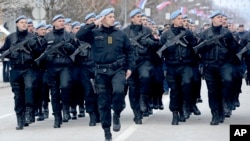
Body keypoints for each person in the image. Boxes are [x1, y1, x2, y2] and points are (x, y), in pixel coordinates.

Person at [76, 8, 135, 141]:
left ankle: (117, 114)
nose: (113, 18)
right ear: (102, 18)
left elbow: (130, 51)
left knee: (119, 92)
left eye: (113, 16)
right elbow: (79, 35)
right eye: (109, 16)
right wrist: (93, 23)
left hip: (118, 70)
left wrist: (130, 68)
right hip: (101, 72)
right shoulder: (94, 33)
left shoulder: (121, 34)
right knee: (103, 103)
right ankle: (107, 131)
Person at [196, 11, 240, 125]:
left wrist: (229, 40)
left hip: (225, 64)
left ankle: (225, 104)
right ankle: (215, 114)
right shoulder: (205, 33)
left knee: (228, 82)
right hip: (210, 65)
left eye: (222, 17)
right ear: (212, 20)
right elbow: (197, 50)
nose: (221, 19)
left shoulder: (227, 33)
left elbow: (235, 49)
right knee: (213, 91)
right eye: (218, 17)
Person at [0, 15, 41, 130]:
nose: (24, 24)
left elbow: (40, 52)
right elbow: (3, 51)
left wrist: (35, 46)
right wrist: (10, 54)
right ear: (17, 24)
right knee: (18, 95)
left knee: (29, 88)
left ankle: (29, 111)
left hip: (29, 68)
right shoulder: (11, 37)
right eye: (22, 22)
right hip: (15, 69)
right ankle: (20, 118)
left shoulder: (32, 37)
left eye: (26, 22)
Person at [160, 10, 197, 125]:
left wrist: (190, 39)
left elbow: (195, 47)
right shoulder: (166, 34)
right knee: (175, 90)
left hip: (186, 65)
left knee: (186, 87)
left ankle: (184, 108)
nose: (182, 21)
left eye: (182, 19)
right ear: (173, 20)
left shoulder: (188, 33)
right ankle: (175, 113)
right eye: (179, 19)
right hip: (172, 66)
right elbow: (161, 50)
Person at [123, 8, 159, 123]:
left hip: (144, 61)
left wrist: (149, 43)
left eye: (140, 17)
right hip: (131, 62)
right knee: (133, 89)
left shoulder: (147, 30)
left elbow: (156, 45)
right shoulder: (125, 32)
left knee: (145, 77)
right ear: (132, 18)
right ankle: (136, 113)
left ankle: (144, 98)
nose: (140, 19)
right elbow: (121, 48)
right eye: (137, 17)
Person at [41, 14, 76, 128]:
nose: (62, 22)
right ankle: (57, 117)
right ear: (54, 23)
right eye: (59, 21)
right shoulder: (47, 36)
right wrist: (47, 57)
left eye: (63, 21)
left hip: (65, 66)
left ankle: (65, 107)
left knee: (65, 87)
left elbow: (76, 50)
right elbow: (40, 51)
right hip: (51, 67)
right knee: (54, 93)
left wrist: (69, 46)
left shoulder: (69, 35)